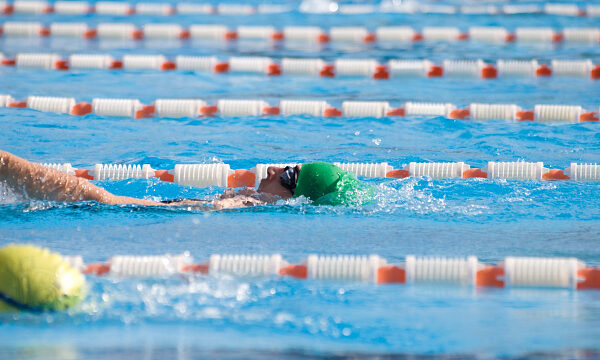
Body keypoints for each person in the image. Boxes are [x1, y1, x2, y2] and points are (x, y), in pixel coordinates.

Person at [0, 150, 373, 209]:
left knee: (86, 191)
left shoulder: (249, 204)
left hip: (135, 210)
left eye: (289, 175)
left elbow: (211, 211)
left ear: (295, 196)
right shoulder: (252, 199)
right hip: (152, 210)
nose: (274, 169)